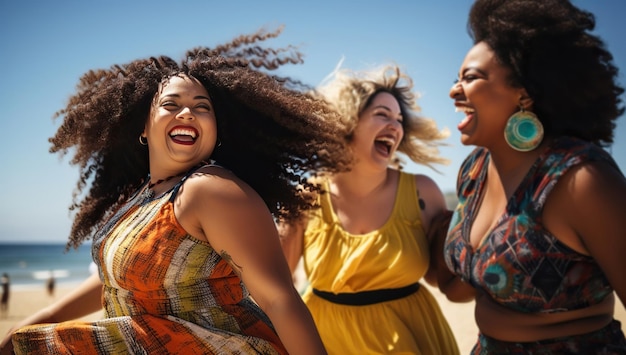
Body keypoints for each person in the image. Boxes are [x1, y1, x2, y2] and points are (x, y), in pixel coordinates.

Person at [0, 26, 351, 355]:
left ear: (216, 130)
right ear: (143, 125)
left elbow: (279, 300)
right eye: (171, 104)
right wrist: (38, 320)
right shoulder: (145, 196)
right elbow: (119, 279)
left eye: (203, 107)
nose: (187, 112)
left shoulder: (210, 190)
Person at [443, 0, 626, 353]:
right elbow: (464, 285)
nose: (454, 90)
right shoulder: (474, 171)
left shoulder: (579, 179)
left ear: (523, 95)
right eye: (456, 79)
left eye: (471, 77)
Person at [278, 64, 460, 354]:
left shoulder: (422, 192)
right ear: (346, 121)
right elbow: (277, 285)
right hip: (328, 342)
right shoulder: (306, 197)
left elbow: (442, 279)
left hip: (412, 337)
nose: (395, 127)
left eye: (400, 120)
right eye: (382, 115)